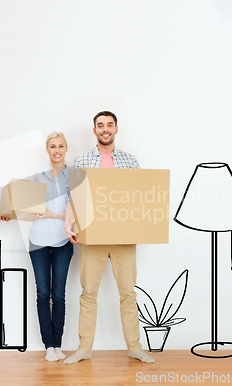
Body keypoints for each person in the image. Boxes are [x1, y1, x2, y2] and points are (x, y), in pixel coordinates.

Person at [63, 111, 155, 364]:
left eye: (109, 125)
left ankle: (135, 348)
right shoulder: (82, 160)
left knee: (128, 293)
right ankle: (84, 349)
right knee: (88, 292)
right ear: (94, 131)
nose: (105, 129)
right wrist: (68, 222)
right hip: (92, 235)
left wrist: (146, 225)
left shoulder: (130, 160)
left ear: (116, 129)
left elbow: (140, 196)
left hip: (124, 237)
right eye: (100, 125)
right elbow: (75, 195)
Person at [0, 132, 73, 362]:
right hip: (38, 242)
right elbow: (26, 204)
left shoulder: (75, 177)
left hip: (63, 242)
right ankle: (48, 345)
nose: (57, 150)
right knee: (42, 293)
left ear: (66, 148)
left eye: (60, 146)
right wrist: (9, 215)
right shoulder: (37, 177)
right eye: (52, 146)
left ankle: (58, 344)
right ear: (47, 150)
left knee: (58, 294)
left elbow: (78, 210)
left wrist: (54, 214)